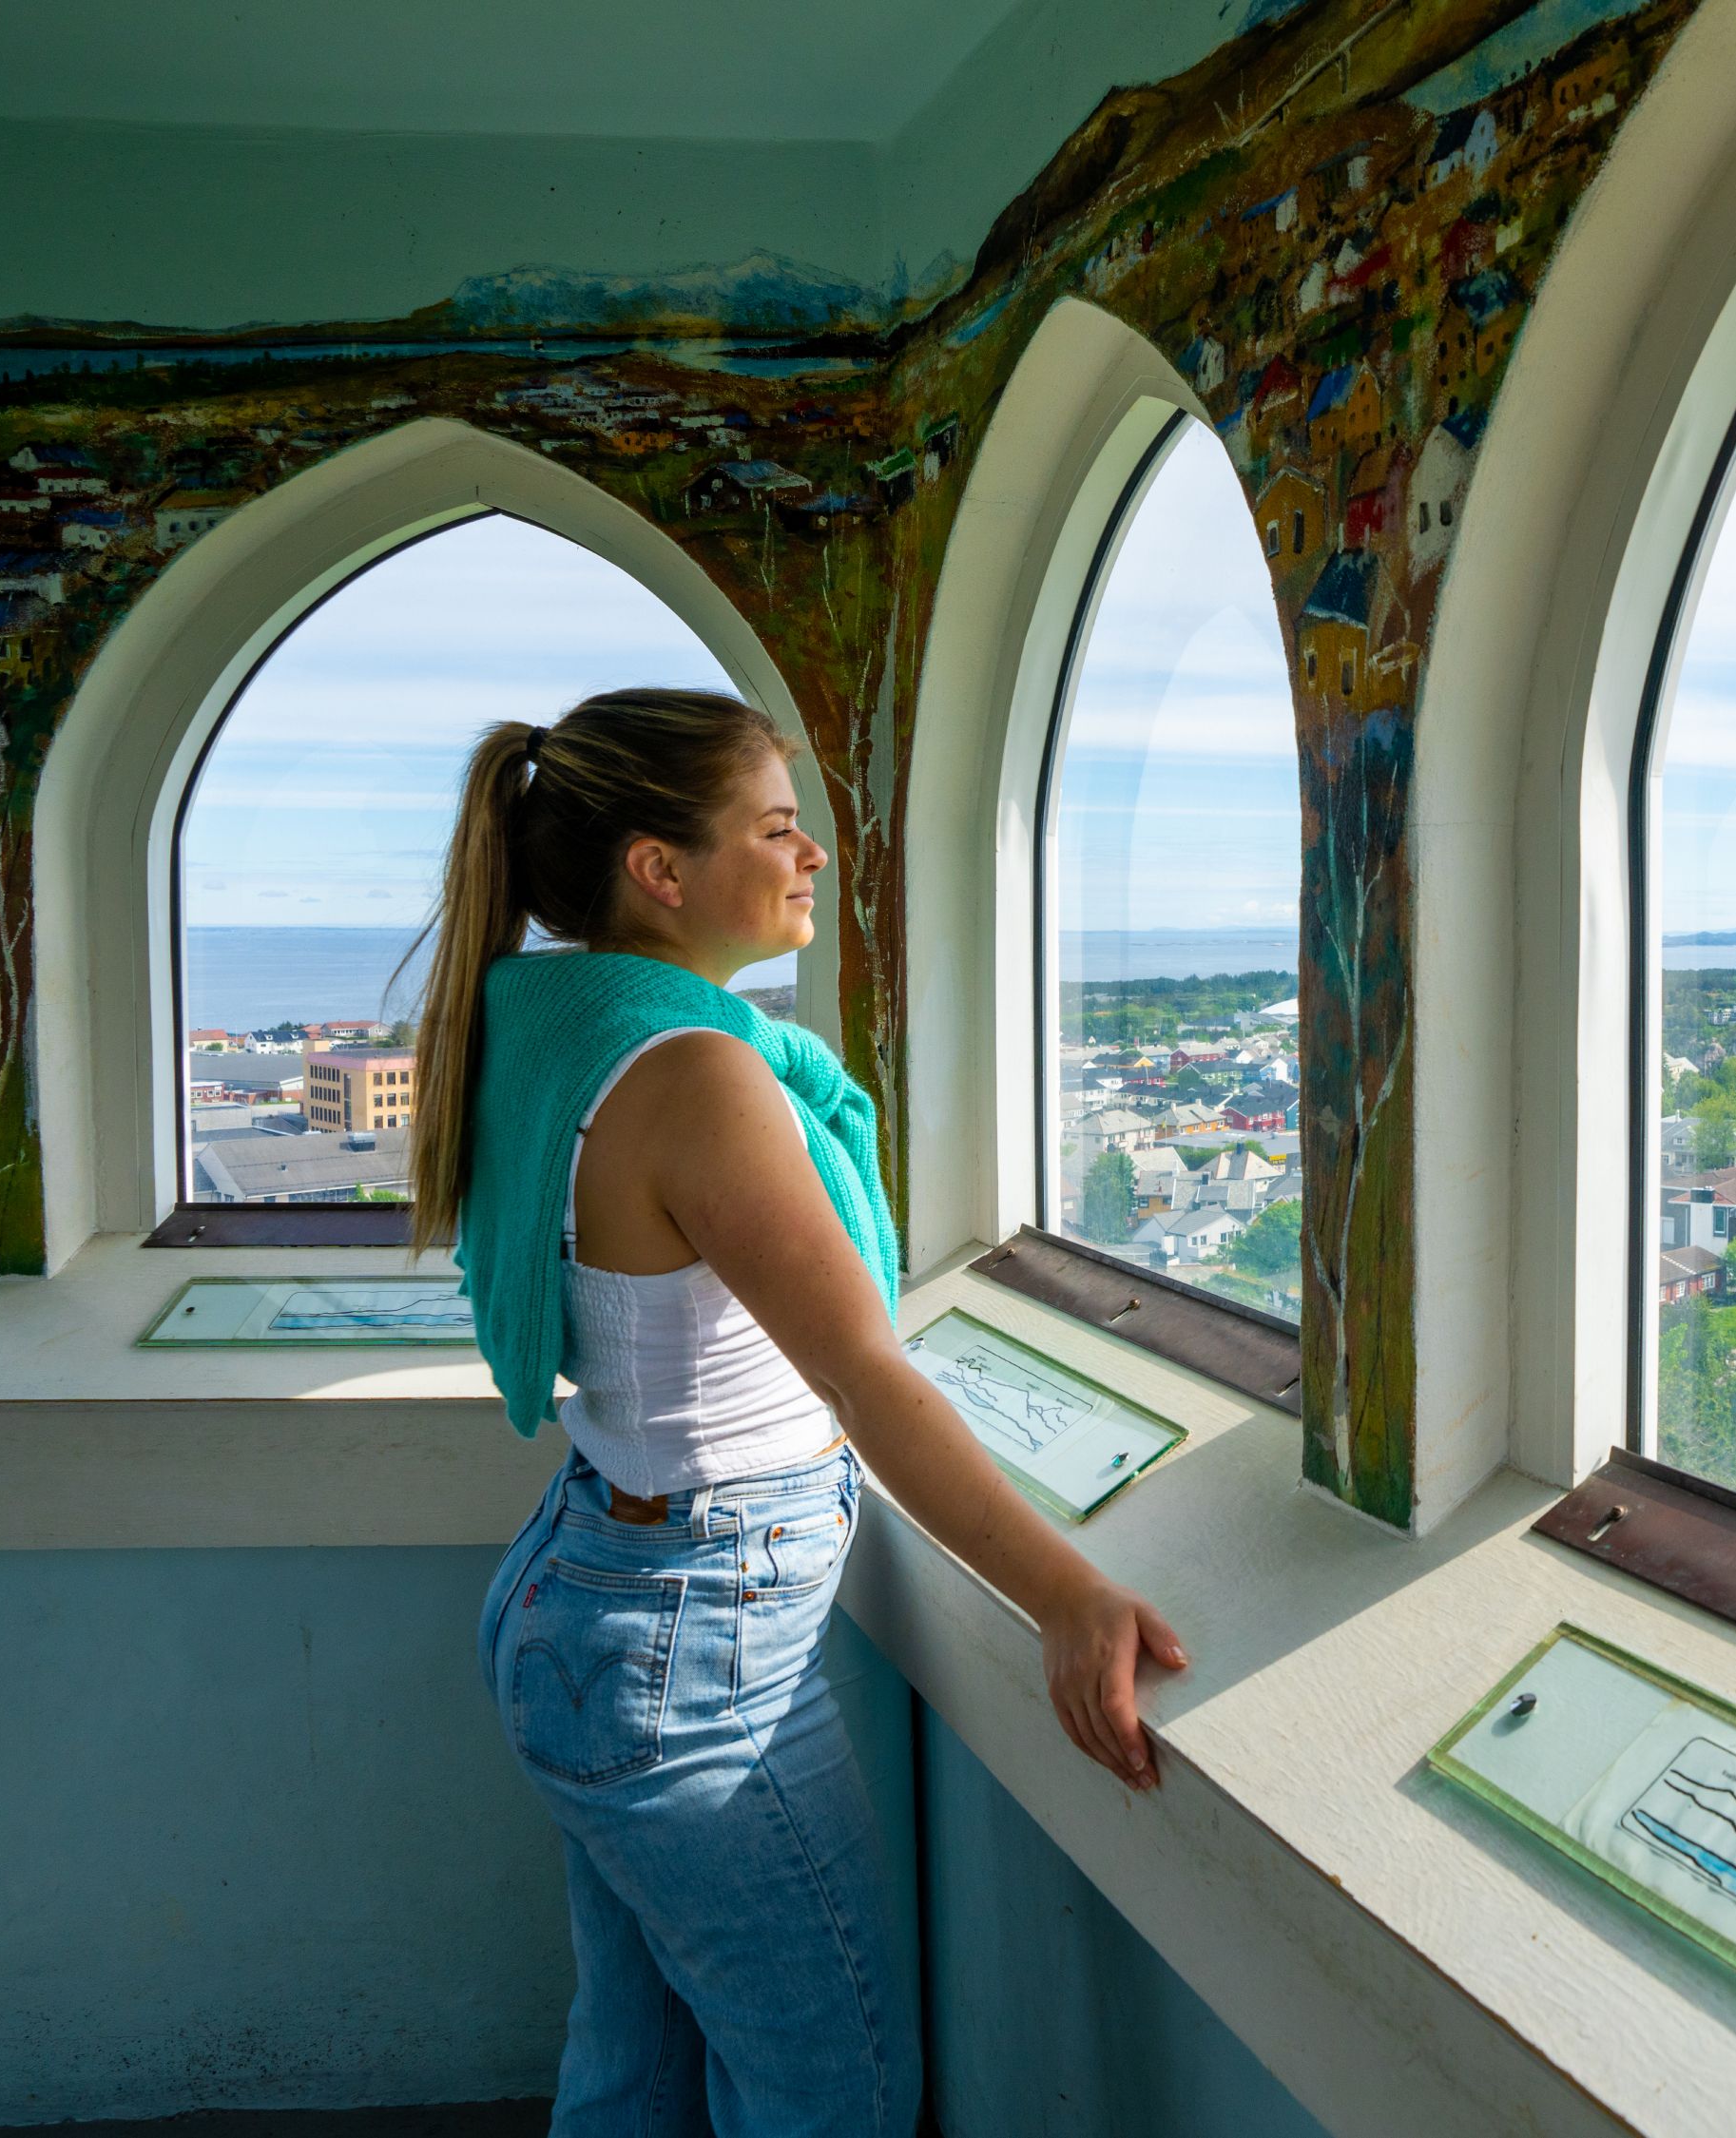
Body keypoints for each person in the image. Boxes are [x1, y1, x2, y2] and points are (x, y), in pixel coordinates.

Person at [414, 687, 1184, 2133]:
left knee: (631, 2068)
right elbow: (863, 1376)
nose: (812, 854)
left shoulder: (556, 1028)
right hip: (687, 1648)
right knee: (836, 2091)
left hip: (588, 1591)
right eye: (776, 828)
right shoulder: (695, 1073)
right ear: (660, 868)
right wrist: (1068, 1592)